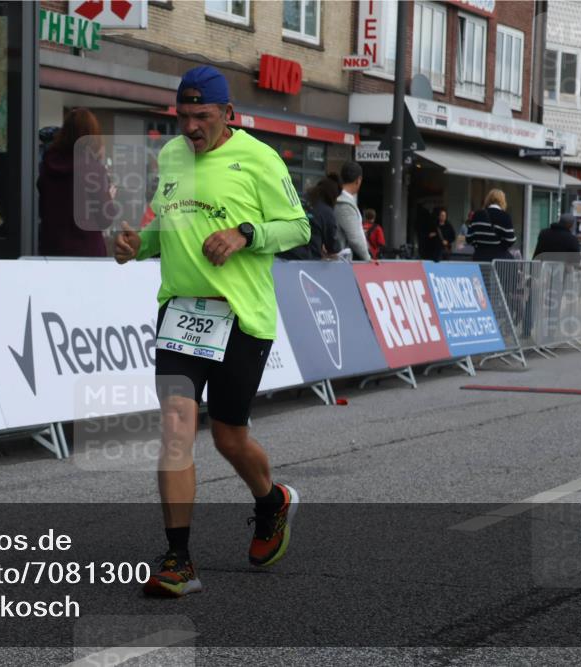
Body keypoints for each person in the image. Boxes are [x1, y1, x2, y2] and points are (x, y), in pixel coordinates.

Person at [114, 65, 309, 598]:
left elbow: (299, 226)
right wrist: (139, 245)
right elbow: (163, 227)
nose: (192, 127)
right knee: (177, 425)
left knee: (229, 437)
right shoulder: (172, 156)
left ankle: (272, 502)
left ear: (228, 114)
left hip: (241, 316)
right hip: (180, 312)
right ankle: (178, 559)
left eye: (203, 116)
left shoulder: (260, 158)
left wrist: (246, 233)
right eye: (184, 116)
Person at [37, 107, 115, 256]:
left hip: (51, 252)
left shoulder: (47, 165)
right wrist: (109, 198)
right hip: (86, 256)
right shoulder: (92, 169)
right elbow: (105, 219)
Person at [277, 176, 340, 260]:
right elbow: (332, 246)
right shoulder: (326, 212)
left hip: (281, 255)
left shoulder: (298, 200)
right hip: (307, 261)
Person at [333, 161, 370, 261]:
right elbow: (355, 239)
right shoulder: (344, 205)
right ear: (359, 180)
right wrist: (368, 258)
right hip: (342, 264)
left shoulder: (337, 199)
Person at [466, 189, 516, 262]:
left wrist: (479, 244)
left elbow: (469, 238)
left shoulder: (477, 215)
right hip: (498, 261)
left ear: (488, 200)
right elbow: (510, 240)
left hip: (479, 259)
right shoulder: (505, 216)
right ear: (503, 201)